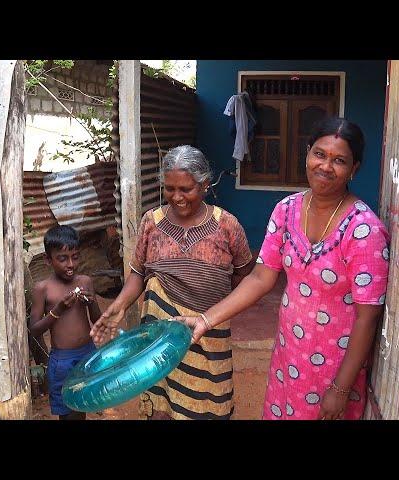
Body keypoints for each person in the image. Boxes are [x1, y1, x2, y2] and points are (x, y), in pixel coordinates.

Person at [179, 116, 390, 420]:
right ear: (307, 153)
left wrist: (341, 389)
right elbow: (261, 277)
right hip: (289, 356)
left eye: (339, 160)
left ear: (354, 168)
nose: (326, 166)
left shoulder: (363, 230)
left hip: (335, 367)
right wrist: (205, 319)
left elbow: (367, 317)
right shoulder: (286, 209)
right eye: (319, 154)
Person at [90, 145, 253, 420]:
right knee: (160, 403)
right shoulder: (151, 222)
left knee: (206, 404)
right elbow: (138, 273)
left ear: (205, 184)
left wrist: (213, 308)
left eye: (186, 189)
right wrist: (119, 305)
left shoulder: (227, 225)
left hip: (206, 335)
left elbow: (244, 275)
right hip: (156, 338)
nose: (177, 197)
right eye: (169, 189)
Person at [29, 225, 102, 420]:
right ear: (48, 260)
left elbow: (96, 320)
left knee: (83, 405)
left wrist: (92, 302)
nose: (70, 264)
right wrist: (58, 310)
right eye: (62, 258)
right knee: (68, 412)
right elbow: (34, 330)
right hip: (62, 360)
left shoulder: (85, 281)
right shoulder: (42, 289)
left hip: (88, 353)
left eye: (75, 257)